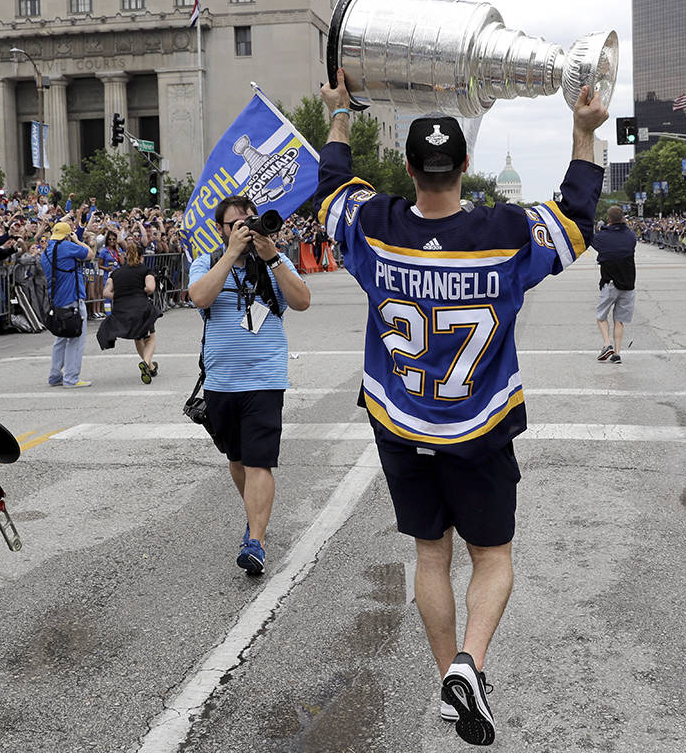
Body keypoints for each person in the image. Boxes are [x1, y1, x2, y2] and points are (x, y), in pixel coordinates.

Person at [315, 67, 607, 746]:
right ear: (465, 165)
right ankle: (471, 663)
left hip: (401, 420)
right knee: (494, 558)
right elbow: (577, 219)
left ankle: (450, 673)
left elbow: (331, 191)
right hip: (477, 425)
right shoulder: (503, 232)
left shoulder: (376, 226)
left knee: (429, 555)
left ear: (411, 169)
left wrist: (339, 115)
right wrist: (581, 132)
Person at [187, 195, 311, 576]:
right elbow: (198, 297)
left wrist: (272, 256)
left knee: (259, 461)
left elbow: (303, 300)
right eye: (236, 223)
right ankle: (255, 517)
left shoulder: (275, 261)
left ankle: (255, 540)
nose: (245, 227)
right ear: (221, 229)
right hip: (221, 381)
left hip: (265, 378)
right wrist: (230, 254)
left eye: (250, 221)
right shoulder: (206, 263)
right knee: (237, 459)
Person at [97, 242, 163, 382]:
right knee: (150, 337)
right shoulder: (145, 270)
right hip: (140, 307)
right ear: (141, 257)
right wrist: (140, 291)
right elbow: (150, 288)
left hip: (122, 310)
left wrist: (121, 295)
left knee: (138, 337)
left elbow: (106, 292)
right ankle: (146, 363)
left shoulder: (116, 273)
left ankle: (150, 367)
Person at [41, 218, 94, 388]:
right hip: (72, 299)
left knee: (61, 339)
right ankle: (71, 378)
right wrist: (78, 240)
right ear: (67, 236)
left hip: (57, 300)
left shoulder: (46, 252)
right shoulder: (67, 247)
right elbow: (90, 254)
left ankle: (55, 375)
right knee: (75, 339)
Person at [591, 205, 637, 363]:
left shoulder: (602, 237)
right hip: (628, 283)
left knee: (601, 317)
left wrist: (603, 229)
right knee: (619, 320)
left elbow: (592, 241)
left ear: (608, 219)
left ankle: (606, 344)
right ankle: (617, 352)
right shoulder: (631, 236)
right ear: (623, 218)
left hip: (609, 282)